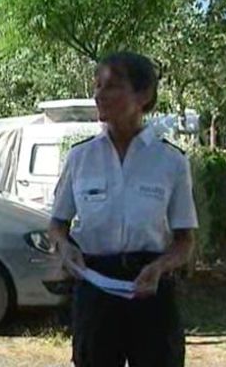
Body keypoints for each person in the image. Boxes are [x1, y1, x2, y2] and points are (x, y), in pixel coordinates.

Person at [50, 52, 198, 367]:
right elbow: (57, 225)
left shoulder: (171, 161)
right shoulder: (80, 158)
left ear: (143, 95)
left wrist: (159, 267)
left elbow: (185, 241)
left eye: (111, 86)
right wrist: (64, 248)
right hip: (95, 289)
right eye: (97, 85)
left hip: (151, 291)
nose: (98, 94)